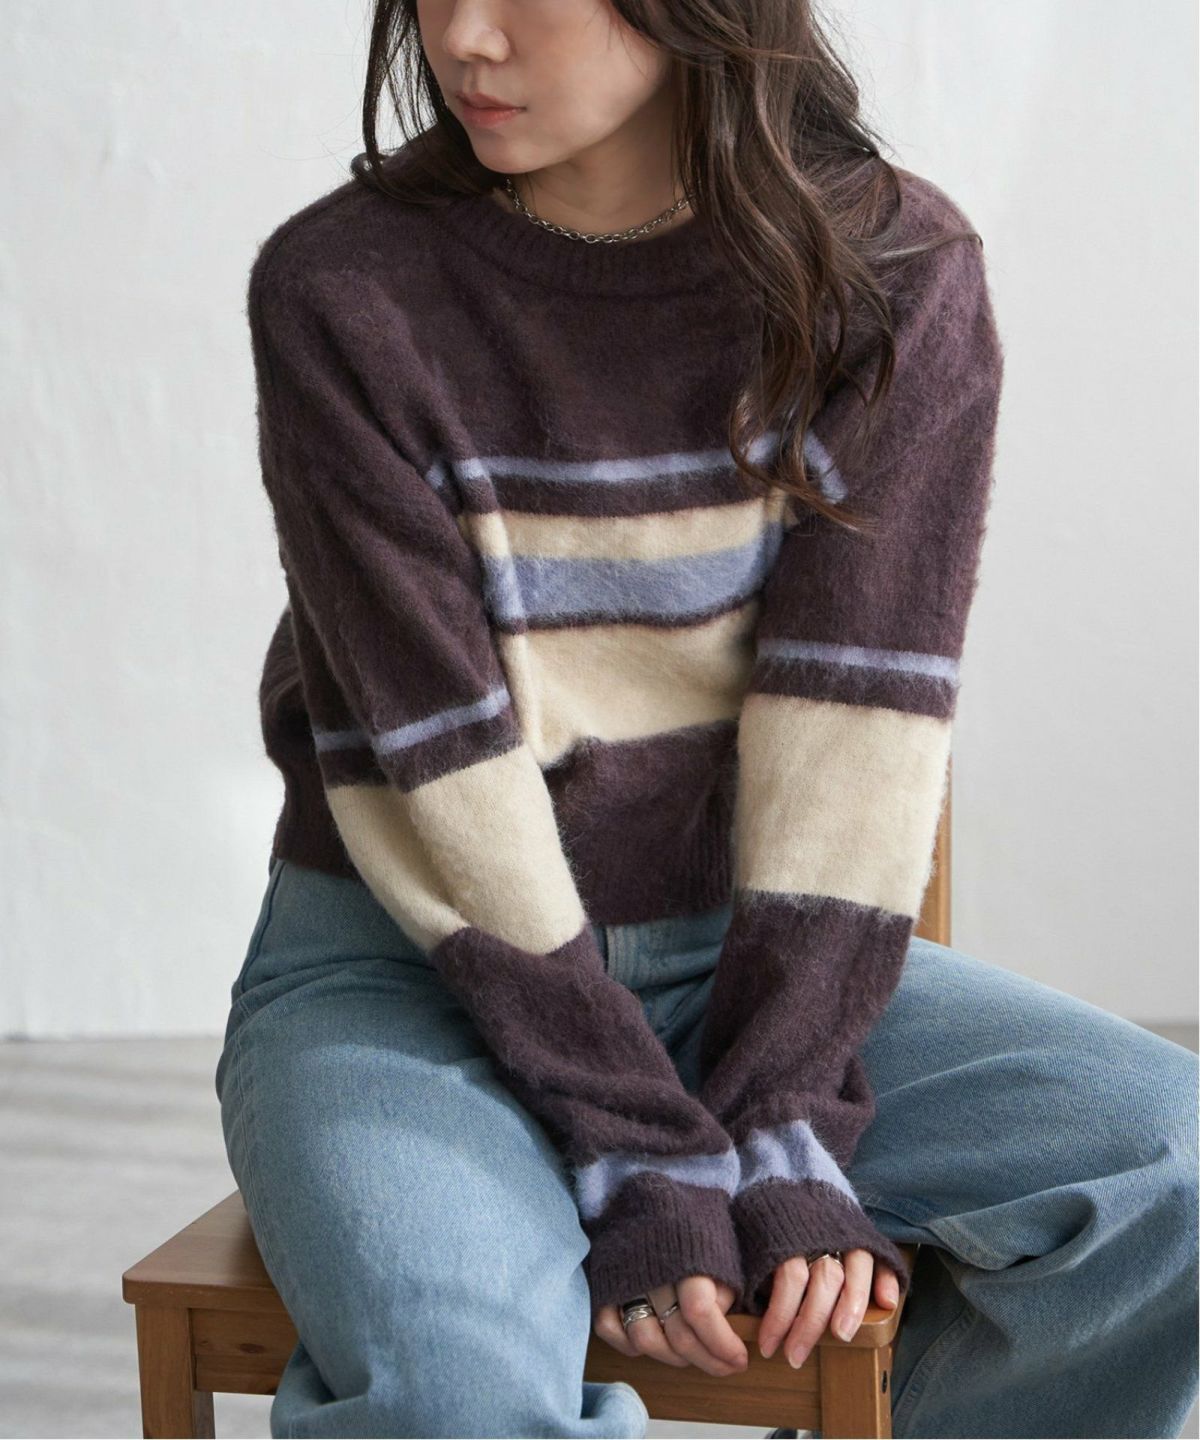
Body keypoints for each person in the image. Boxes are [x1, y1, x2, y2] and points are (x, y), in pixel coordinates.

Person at [214, 1, 1199, 1436]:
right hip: (407, 973)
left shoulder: (892, 277)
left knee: (1171, 1166)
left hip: (743, 966)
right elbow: (436, 768)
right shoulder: (344, 288)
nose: (462, 37)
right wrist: (638, 1142)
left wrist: (783, 1112)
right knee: (460, 1399)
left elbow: (854, 734)